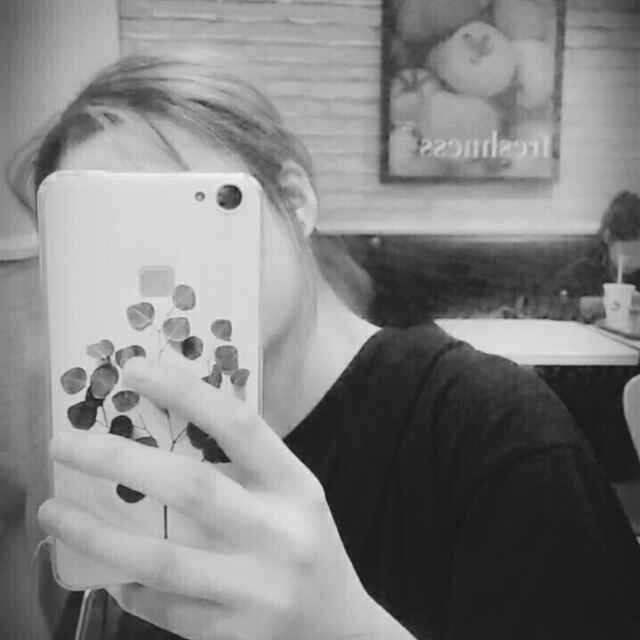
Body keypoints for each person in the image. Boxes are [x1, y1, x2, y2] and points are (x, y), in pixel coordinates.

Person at [13, 54, 640, 640]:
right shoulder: (135, 452)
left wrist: (343, 628)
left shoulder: (495, 433)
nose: (156, 278)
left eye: (183, 219)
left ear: (295, 199)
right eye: (111, 247)